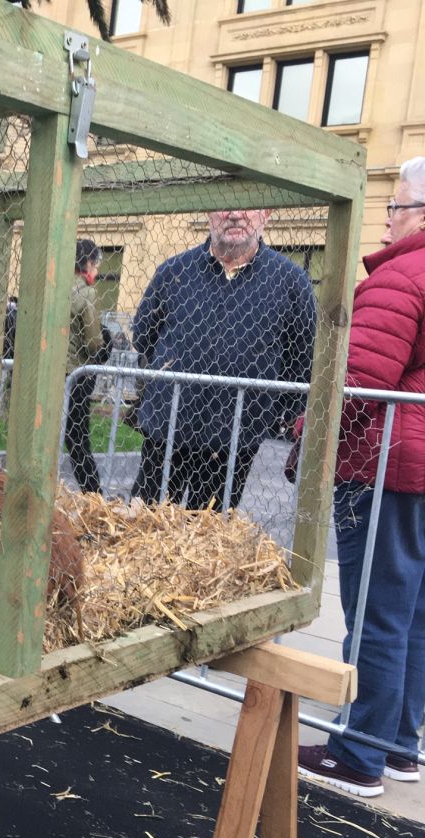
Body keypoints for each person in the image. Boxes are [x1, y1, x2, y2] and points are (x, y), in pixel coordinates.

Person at [298, 157, 425, 798]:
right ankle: (399, 741)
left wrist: (307, 436)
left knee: (376, 609)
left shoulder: (402, 276)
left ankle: (358, 755)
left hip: (390, 466)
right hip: (420, 469)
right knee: (414, 612)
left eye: (395, 208)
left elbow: (361, 382)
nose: (386, 222)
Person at [129, 209, 317, 511]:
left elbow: (301, 358)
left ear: (266, 215)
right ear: (208, 213)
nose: (235, 214)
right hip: (168, 427)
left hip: (235, 437)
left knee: (209, 535)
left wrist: (275, 414)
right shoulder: (174, 271)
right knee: (147, 522)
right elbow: (144, 336)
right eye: (226, 205)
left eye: (249, 206)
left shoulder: (291, 282)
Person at [64, 239, 109, 495]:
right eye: (97, 264)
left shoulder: (58, 286)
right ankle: (94, 496)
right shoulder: (86, 292)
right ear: (88, 263)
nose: (98, 271)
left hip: (52, 371)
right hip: (75, 374)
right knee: (78, 439)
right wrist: (106, 344)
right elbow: (93, 344)